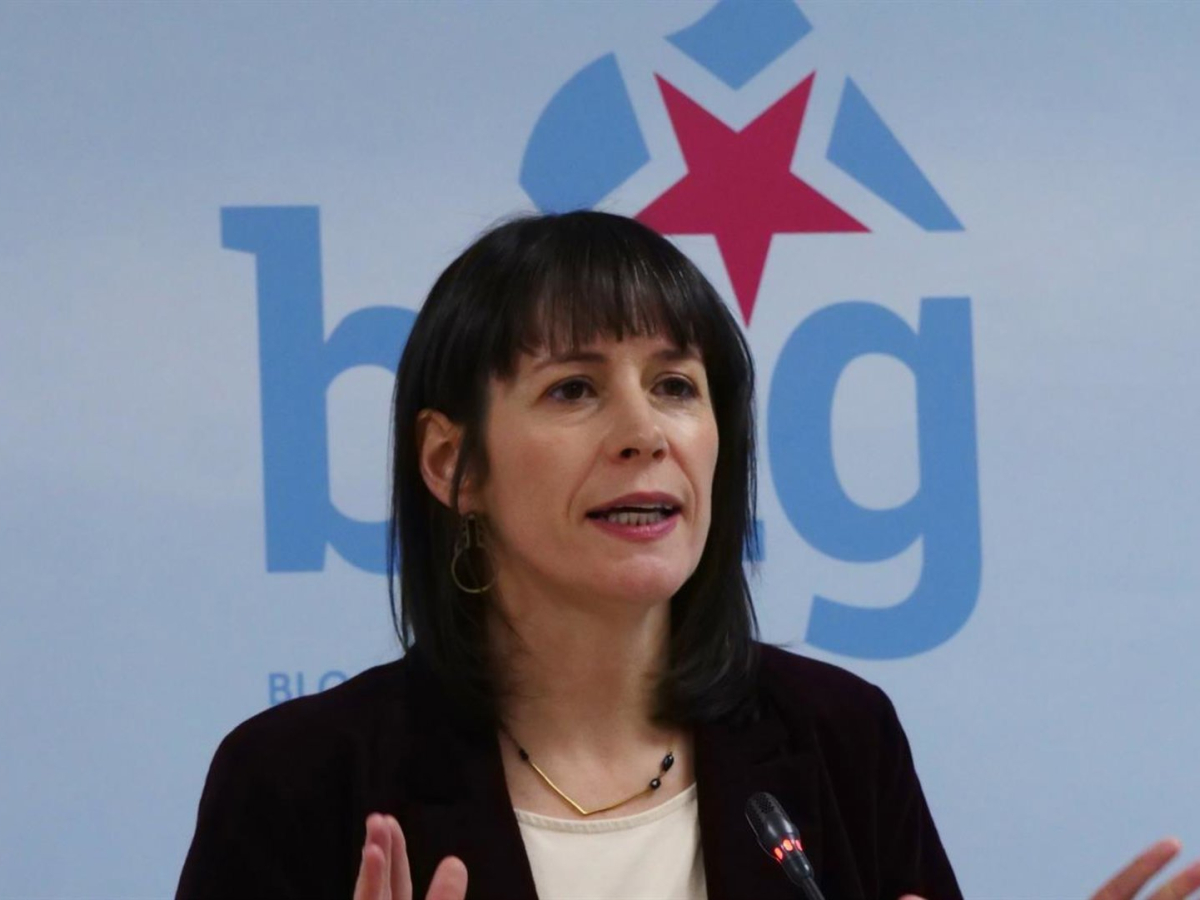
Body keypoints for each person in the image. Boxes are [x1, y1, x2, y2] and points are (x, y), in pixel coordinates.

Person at [177, 212, 1200, 900]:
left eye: (674, 386)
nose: (644, 434)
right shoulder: (300, 781)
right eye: (574, 389)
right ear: (454, 464)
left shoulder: (838, 740)